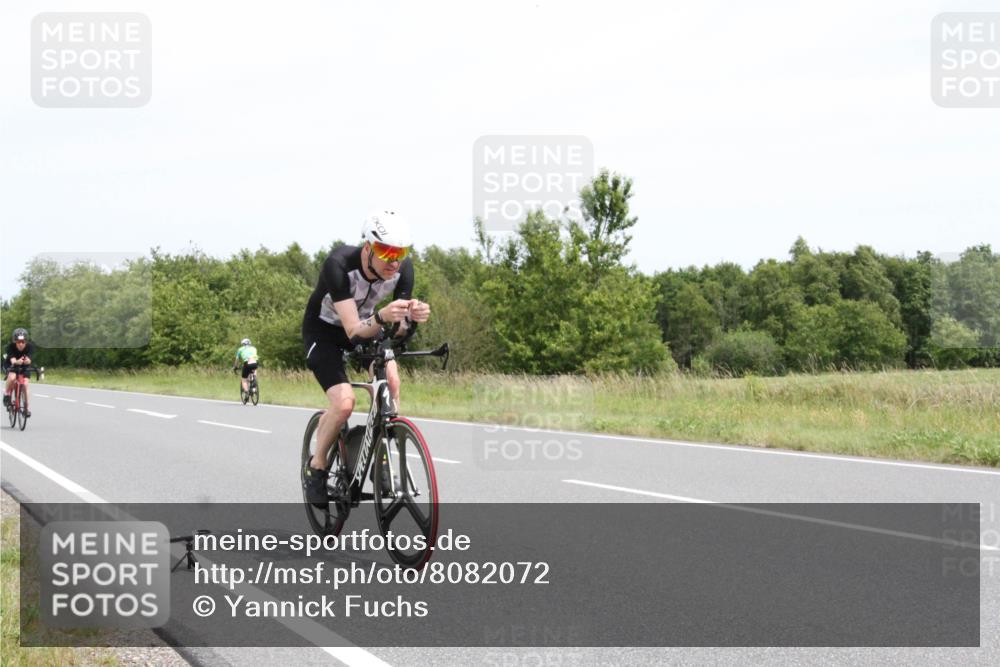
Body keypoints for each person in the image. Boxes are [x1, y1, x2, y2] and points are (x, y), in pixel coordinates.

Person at [301, 209, 431, 506]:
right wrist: (383, 316)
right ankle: (317, 466)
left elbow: (398, 334)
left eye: (401, 252)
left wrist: (411, 319)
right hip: (326, 333)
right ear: (368, 247)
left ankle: (381, 458)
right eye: (386, 252)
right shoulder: (338, 265)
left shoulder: (403, 269)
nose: (394, 261)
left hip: (369, 324)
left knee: (393, 382)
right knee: (345, 403)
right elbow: (352, 331)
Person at [3, 328, 35, 416]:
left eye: (23, 342)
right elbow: (13, 361)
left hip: (24, 365)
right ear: (15, 342)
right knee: (12, 377)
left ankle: (26, 408)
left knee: (25, 384)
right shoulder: (10, 347)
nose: (21, 344)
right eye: (18, 342)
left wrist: (24, 360)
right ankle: (7, 394)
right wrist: (18, 361)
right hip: (11, 364)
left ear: (26, 341)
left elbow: (29, 360)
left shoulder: (30, 347)